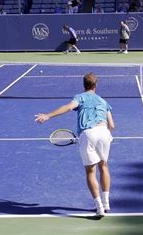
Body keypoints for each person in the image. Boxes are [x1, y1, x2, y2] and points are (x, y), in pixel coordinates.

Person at [35, 73, 115, 217]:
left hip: (88, 134)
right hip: (104, 133)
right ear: (95, 85)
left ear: (84, 85)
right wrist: (104, 134)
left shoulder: (80, 97)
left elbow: (68, 107)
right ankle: (106, 202)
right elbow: (112, 125)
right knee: (104, 167)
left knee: (90, 171)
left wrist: (48, 115)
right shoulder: (103, 101)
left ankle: (99, 207)